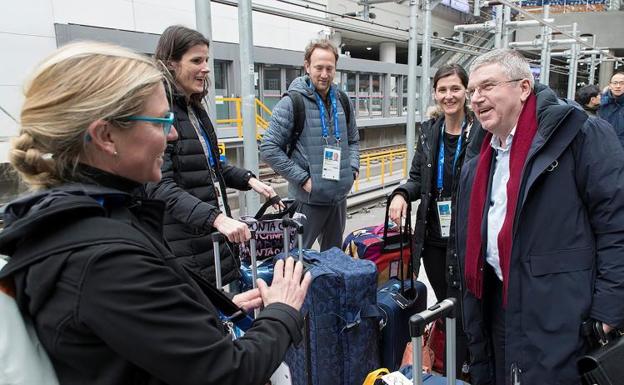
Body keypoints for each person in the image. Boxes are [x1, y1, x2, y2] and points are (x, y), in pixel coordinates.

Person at [0, 41, 311, 385]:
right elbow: (228, 373)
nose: (173, 133)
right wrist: (283, 310)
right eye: (161, 120)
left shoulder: (84, 226)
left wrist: (201, 316)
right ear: (106, 136)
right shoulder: (106, 261)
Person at [456, 48, 624, 385]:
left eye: (488, 86)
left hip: (562, 314)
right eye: (472, 90)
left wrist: (607, 312)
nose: (476, 98)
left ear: (523, 88)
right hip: (498, 305)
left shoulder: (579, 136)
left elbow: (615, 224)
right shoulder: (482, 153)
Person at [147, 25, 280, 285]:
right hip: (187, 247)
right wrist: (217, 219)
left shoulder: (194, 108)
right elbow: (160, 187)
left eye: (206, 60)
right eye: (196, 60)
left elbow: (209, 166)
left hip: (209, 240)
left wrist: (250, 181)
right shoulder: (163, 114)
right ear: (171, 63)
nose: (206, 68)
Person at [388, 64, 485, 376]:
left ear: (466, 92)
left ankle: (466, 368)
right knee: (445, 305)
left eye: (455, 89)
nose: (449, 96)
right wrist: (402, 193)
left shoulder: (480, 132)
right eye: (442, 90)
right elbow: (417, 177)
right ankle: (452, 367)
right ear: (435, 93)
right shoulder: (429, 131)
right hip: (432, 238)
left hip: (467, 237)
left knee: (465, 307)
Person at [260, 39, 359, 250]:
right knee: (297, 258)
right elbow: (268, 148)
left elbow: (353, 140)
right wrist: (303, 179)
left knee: (333, 259)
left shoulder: (342, 100)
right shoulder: (292, 103)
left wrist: (353, 169)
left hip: (338, 200)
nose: (324, 74)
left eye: (329, 68)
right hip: (307, 201)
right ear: (307, 66)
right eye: (319, 68)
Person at [598, 71, 624, 148]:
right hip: (604, 150)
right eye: (615, 83)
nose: (618, 86)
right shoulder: (600, 104)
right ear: (610, 85)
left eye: (622, 83)